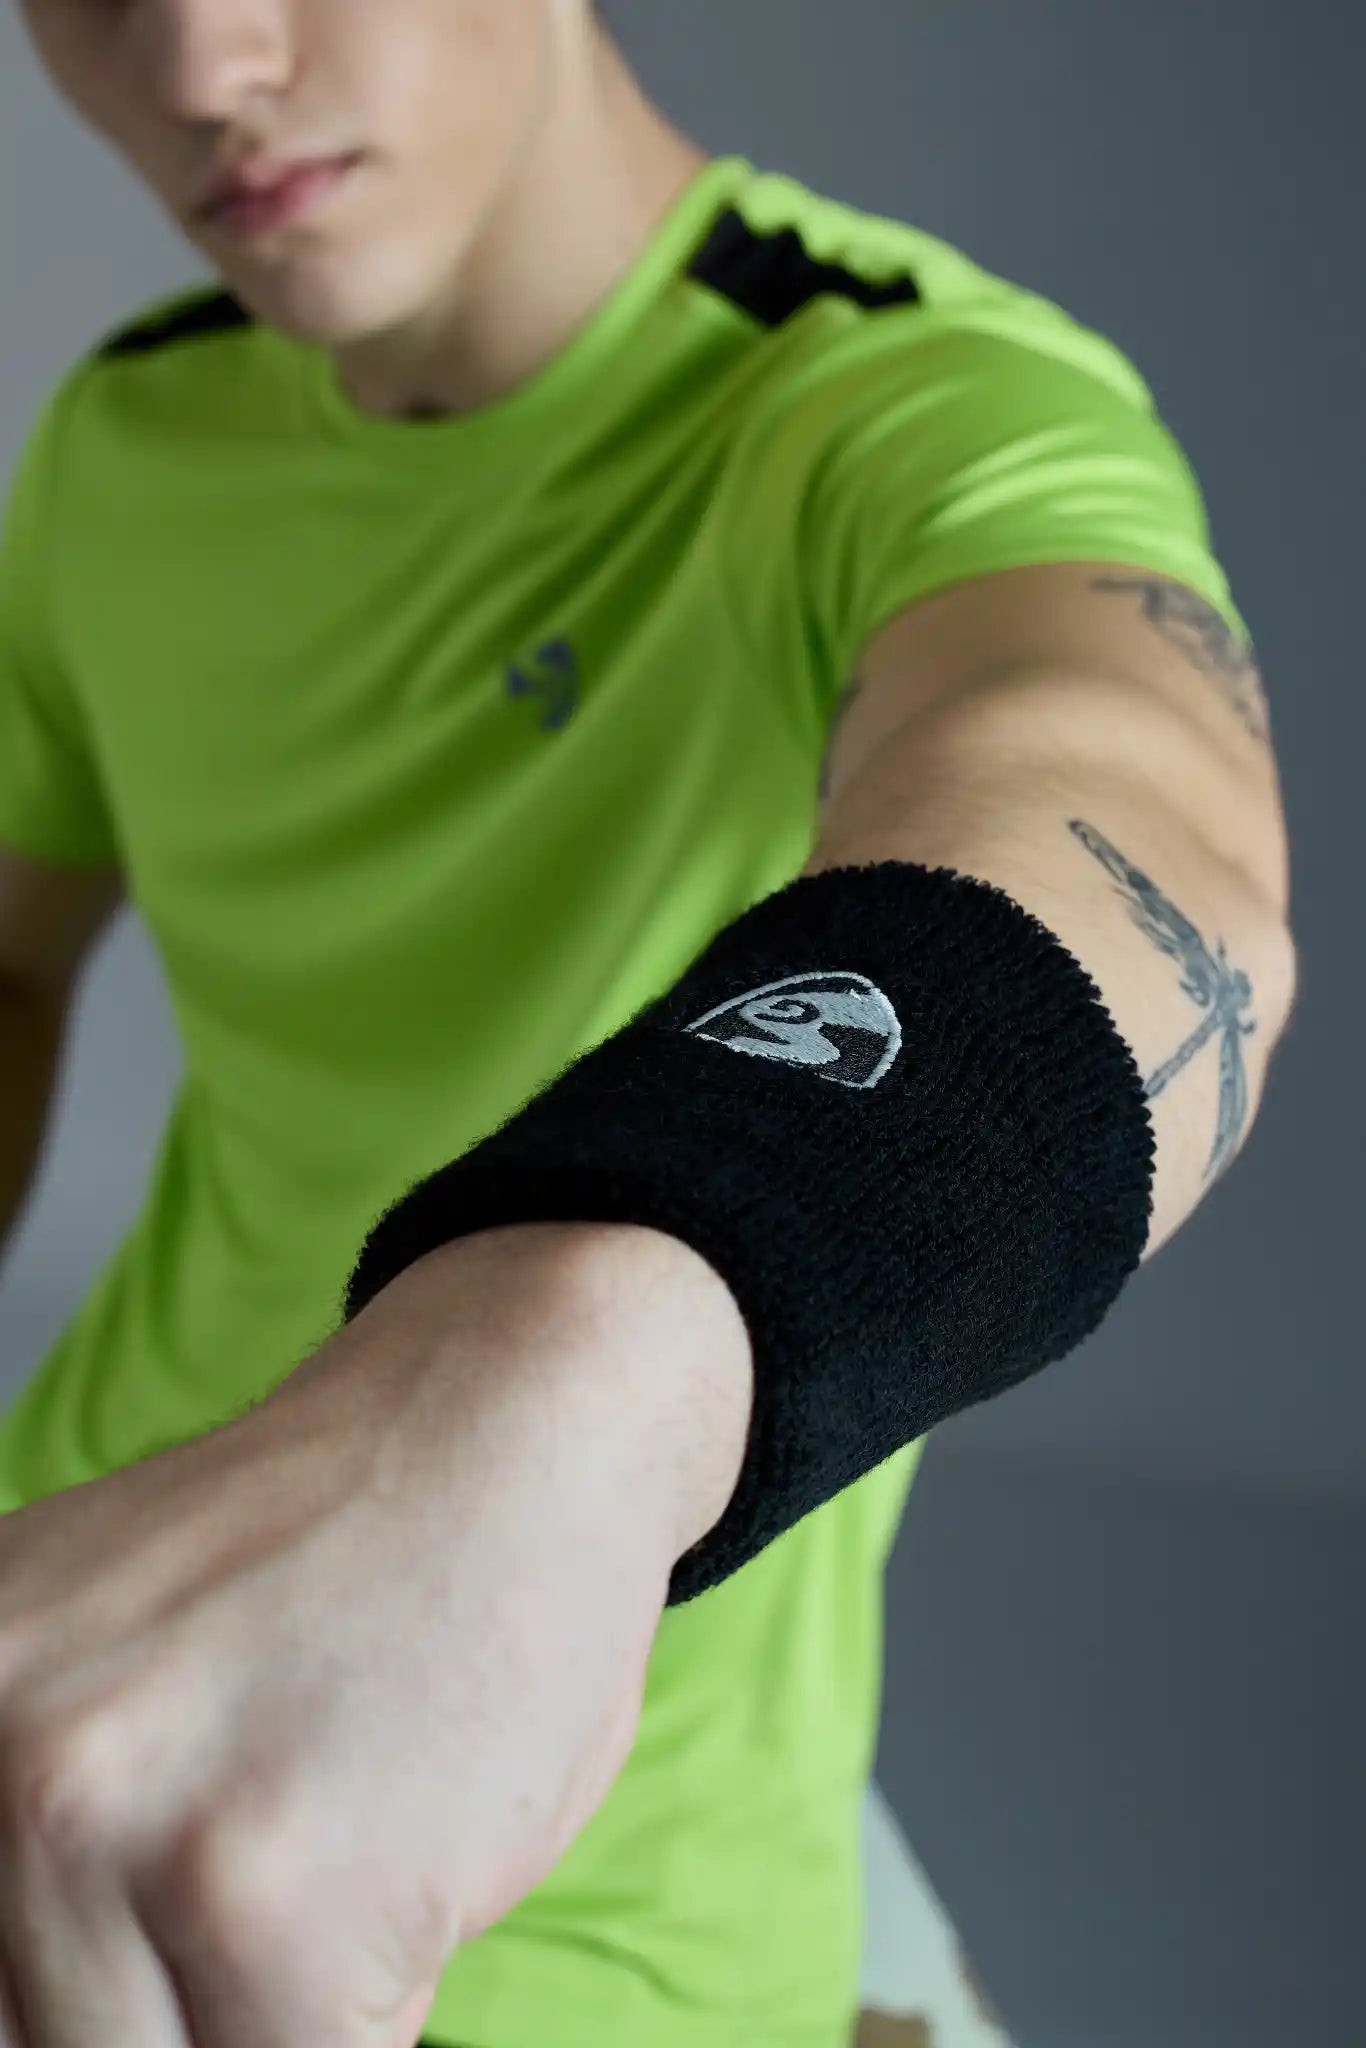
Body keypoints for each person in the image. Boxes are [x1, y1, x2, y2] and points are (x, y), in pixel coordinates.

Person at [0, 2, 1292, 2044]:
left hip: (611, 1885)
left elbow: (1146, 846)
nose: (194, 63)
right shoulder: (127, 436)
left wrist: (551, 1388)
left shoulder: (906, 398)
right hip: (51, 1608)